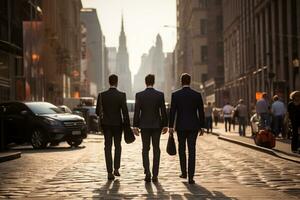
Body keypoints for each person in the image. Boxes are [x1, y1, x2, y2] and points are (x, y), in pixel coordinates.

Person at [169, 73, 205, 184]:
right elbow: (201, 112)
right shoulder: (197, 95)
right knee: (192, 150)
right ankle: (191, 177)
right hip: (193, 126)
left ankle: (184, 172)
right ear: (190, 81)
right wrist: (202, 126)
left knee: (181, 149)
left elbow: (172, 111)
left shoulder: (176, 95)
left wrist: (171, 126)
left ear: (181, 81)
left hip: (180, 126)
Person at [133, 74, 168, 182]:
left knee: (145, 149)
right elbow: (163, 111)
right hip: (156, 126)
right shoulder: (160, 95)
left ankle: (147, 172)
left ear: (145, 82)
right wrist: (165, 125)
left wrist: (135, 126)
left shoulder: (139, 95)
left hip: (144, 126)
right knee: (156, 149)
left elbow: (137, 112)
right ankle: (155, 174)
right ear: (153, 82)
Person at [96, 74, 130, 180]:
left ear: (109, 82)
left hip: (106, 124)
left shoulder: (102, 95)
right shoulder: (121, 95)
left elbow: (97, 111)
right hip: (118, 125)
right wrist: (127, 126)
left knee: (107, 147)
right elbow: (125, 112)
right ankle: (116, 169)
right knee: (118, 146)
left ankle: (109, 172)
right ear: (117, 82)